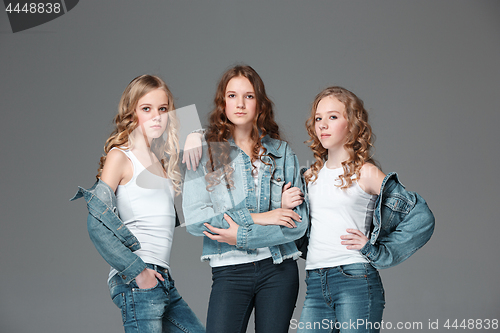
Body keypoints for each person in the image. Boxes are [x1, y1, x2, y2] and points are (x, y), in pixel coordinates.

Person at [294, 86, 435, 332]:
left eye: (333, 117)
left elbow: (420, 217)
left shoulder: (365, 172)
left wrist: (376, 251)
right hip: (315, 281)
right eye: (318, 118)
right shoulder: (309, 176)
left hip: (354, 279)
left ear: (352, 124)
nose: (323, 125)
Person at [71, 74, 205, 333]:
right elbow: (96, 222)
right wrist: (138, 271)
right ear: (132, 113)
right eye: (147, 109)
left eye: (163, 109)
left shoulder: (161, 161)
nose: (157, 116)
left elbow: (210, 160)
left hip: (163, 278)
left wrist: (195, 132)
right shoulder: (120, 156)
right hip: (137, 277)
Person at [181, 65, 308, 333]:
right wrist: (267, 216)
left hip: (278, 268)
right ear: (222, 103)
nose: (240, 104)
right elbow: (195, 220)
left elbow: (297, 225)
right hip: (229, 271)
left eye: (249, 96)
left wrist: (240, 235)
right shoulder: (203, 152)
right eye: (232, 96)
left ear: (260, 104)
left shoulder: (282, 153)